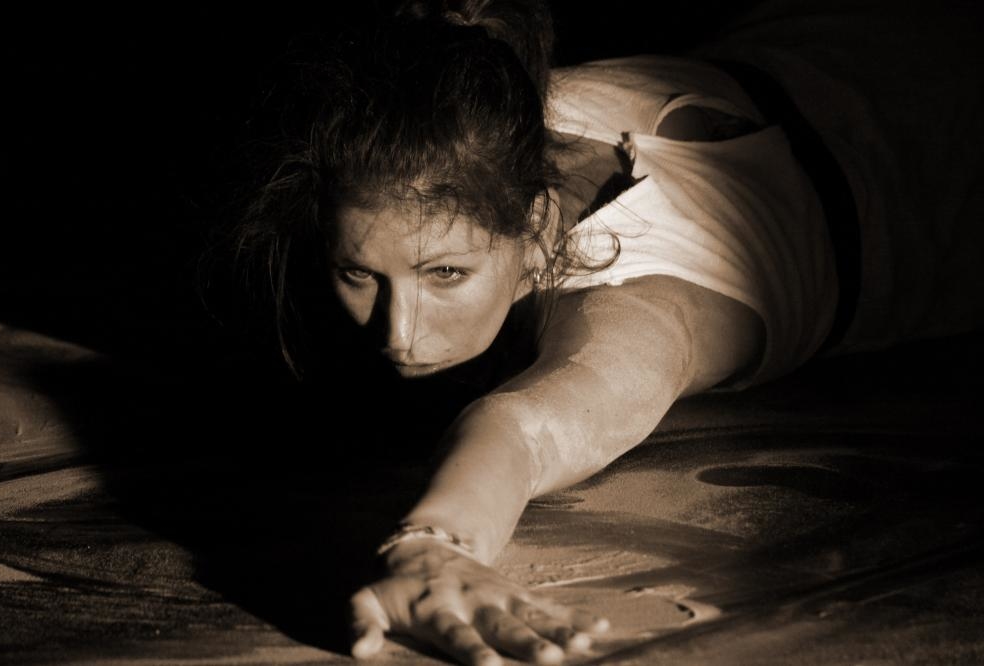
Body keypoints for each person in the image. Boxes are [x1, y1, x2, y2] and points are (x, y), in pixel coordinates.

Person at [232, 1, 984, 664]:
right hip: (826, 33)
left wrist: (433, 544)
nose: (398, 333)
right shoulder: (469, 113)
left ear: (535, 229)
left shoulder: (647, 294)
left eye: (447, 274)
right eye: (358, 274)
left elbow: (532, 428)